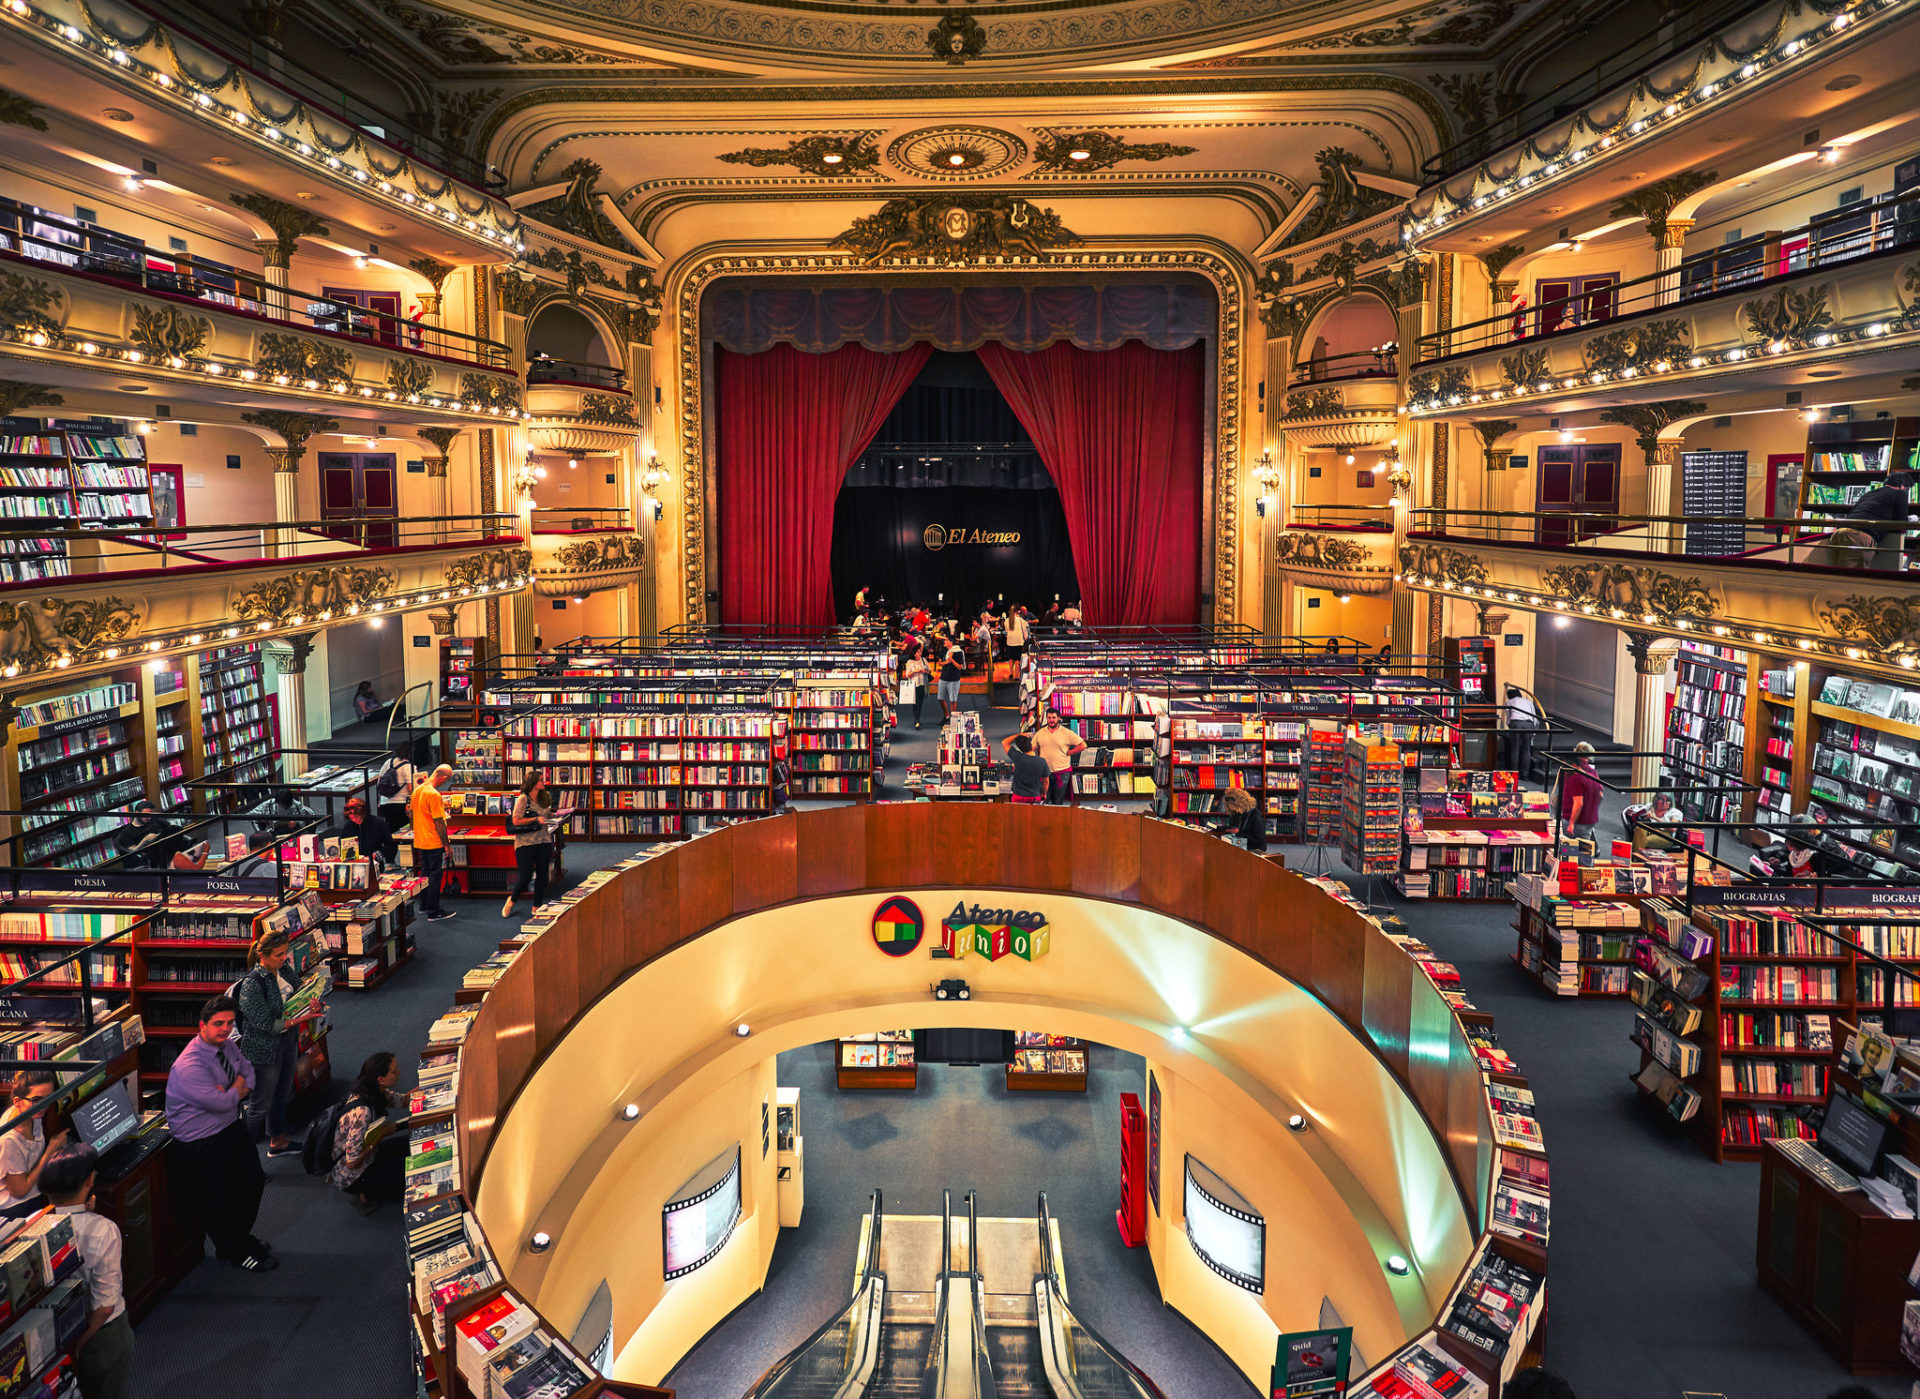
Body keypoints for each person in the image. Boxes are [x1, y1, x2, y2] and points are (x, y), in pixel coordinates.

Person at [164, 995, 274, 1272]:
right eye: (218, 1024)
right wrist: (236, 1088)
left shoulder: (226, 1046)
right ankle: (234, 1250)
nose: (225, 1029)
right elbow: (223, 1101)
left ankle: (239, 1238)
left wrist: (233, 1087)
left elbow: (248, 1073)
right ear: (202, 1025)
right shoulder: (190, 1066)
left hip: (228, 1126)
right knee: (221, 1199)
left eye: (229, 1023)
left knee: (254, 1182)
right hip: (201, 1141)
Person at [40, 1142, 133, 1399]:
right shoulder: (104, 1230)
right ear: (89, 1180)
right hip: (102, 1336)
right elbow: (105, 1305)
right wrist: (80, 1343)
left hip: (55, 1332)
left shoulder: (33, 1226)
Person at [236, 932, 324, 1155]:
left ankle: (278, 1140)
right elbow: (264, 1024)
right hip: (264, 1049)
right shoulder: (252, 985)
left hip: (288, 1041)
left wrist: (311, 1000)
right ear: (262, 956)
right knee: (259, 1104)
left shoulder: (283, 969)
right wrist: (299, 1020)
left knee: (282, 1093)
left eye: (285, 952)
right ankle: (243, 1156)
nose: (284, 958)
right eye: (278, 955)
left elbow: (299, 990)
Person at [330, 1051, 408, 1215]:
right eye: (394, 1071)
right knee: (412, 1167)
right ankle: (364, 1191)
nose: (398, 1072)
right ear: (381, 1078)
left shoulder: (375, 1091)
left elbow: (403, 1100)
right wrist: (382, 1134)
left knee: (412, 1143)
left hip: (369, 1150)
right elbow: (352, 1162)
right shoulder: (362, 1112)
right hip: (352, 1175)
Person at [0, 1069, 65, 1216]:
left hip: (35, 1195)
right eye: (36, 1100)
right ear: (17, 1102)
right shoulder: (9, 1140)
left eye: (48, 1098)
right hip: (17, 1209)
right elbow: (20, 1192)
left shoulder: (31, 1113)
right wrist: (50, 1151)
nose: (43, 1106)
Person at [502, 774, 560, 920]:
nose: (543, 782)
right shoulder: (523, 799)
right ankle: (512, 900)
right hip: (526, 843)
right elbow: (516, 821)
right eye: (541, 780)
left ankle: (537, 906)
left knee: (542, 875)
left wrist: (555, 815)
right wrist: (536, 819)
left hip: (544, 841)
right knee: (526, 876)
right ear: (533, 783)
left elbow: (546, 815)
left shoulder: (545, 797)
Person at [1840, 467, 1915, 571]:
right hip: (1860, 535)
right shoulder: (1899, 494)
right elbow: (1900, 523)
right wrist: (1911, 520)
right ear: (1902, 486)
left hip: (1841, 532)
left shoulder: (1870, 493)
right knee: (1853, 576)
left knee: (1837, 572)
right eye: (1907, 489)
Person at [411, 766, 456, 922]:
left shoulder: (417, 790)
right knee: (435, 876)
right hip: (433, 841)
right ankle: (434, 910)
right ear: (443, 778)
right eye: (448, 779)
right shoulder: (434, 794)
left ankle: (424, 905)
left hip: (420, 840)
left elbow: (411, 813)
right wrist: (447, 845)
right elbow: (439, 822)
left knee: (424, 874)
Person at [111, 801, 206, 871]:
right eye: (146, 815)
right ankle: (187, 854)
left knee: (174, 829)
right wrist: (143, 841)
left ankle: (182, 857)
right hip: (149, 851)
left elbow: (170, 828)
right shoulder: (127, 832)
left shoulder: (153, 820)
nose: (148, 817)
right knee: (162, 842)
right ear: (136, 813)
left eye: (150, 814)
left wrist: (159, 835)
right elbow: (132, 851)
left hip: (164, 844)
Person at [1031, 709, 1087, 806]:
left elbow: (1083, 745)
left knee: (1058, 802)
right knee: (1044, 800)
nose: (1051, 720)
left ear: (1059, 718)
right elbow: (1031, 748)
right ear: (1046, 718)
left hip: (1062, 773)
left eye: (1054, 718)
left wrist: (1070, 752)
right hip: (1045, 773)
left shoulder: (1067, 733)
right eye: (1049, 718)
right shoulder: (1040, 733)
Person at [1558, 742, 1604, 845]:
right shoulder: (1593, 772)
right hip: (1590, 820)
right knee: (1585, 851)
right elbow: (1601, 795)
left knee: (1568, 852)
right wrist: (1591, 808)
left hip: (1575, 820)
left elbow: (1578, 803)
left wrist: (1571, 823)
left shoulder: (1574, 776)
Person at [333, 796, 397, 867]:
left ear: (363, 814)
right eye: (351, 818)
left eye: (356, 817)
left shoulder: (378, 823)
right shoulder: (348, 825)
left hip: (374, 864)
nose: (354, 820)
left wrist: (377, 854)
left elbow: (391, 845)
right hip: (353, 863)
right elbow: (341, 843)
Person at [1502, 684, 1541, 781]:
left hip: (1516, 723)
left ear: (1510, 696)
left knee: (1514, 749)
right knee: (1526, 750)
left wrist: (1510, 728)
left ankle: (1514, 774)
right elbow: (1535, 718)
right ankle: (1525, 775)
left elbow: (1508, 719)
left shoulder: (1509, 702)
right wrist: (1534, 733)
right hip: (1529, 724)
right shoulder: (1528, 702)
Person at [1213, 785, 1267, 853]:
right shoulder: (1237, 814)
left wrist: (1239, 833)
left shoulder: (1255, 816)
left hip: (1254, 850)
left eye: (1234, 809)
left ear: (1238, 806)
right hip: (1240, 846)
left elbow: (1259, 842)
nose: (1233, 811)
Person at [375, 744, 415, 833]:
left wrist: (379, 801)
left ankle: (390, 846)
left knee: (390, 829)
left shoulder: (388, 762)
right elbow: (410, 789)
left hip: (385, 803)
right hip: (401, 804)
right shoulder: (408, 766)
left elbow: (380, 781)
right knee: (404, 831)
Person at [249, 786, 316, 838]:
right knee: (267, 838)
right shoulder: (269, 803)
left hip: (293, 831)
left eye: (283, 804)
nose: (281, 805)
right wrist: (262, 821)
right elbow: (250, 815)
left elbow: (303, 822)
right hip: (274, 831)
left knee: (302, 835)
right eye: (279, 803)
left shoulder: (297, 805)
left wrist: (296, 823)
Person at [1002, 732, 1050, 804]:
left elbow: (1005, 742)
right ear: (1031, 745)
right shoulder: (1042, 761)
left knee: (1016, 814)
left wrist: (1019, 735)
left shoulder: (1017, 757)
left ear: (1020, 748)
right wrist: (1044, 793)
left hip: (1018, 795)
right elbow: (1046, 781)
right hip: (1034, 796)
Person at [901, 648, 932, 729]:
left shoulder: (923, 660)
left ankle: (917, 718)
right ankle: (917, 719)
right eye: (918, 652)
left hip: (922, 683)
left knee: (920, 702)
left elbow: (929, 670)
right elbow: (907, 675)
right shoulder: (910, 662)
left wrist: (924, 671)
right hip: (913, 684)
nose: (920, 653)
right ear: (914, 653)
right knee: (915, 703)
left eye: (920, 652)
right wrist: (914, 671)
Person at [937, 637, 965, 723]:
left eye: (946, 640)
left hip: (954, 679)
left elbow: (960, 667)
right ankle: (947, 716)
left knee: (953, 700)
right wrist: (946, 662)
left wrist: (951, 660)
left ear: (951, 642)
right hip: (943, 678)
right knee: (940, 698)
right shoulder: (944, 650)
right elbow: (939, 662)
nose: (944, 642)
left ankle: (953, 720)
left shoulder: (958, 652)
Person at [1004, 605, 1029, 671]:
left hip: (1010, 641)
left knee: (1011, 658)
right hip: (1018, 641)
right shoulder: (1020, 620)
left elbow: (1006, 631)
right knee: (1017, 659)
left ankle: (1011, 673)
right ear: (1016, 612)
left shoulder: (1006, 620)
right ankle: (1016, 676)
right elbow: (1027, 625)